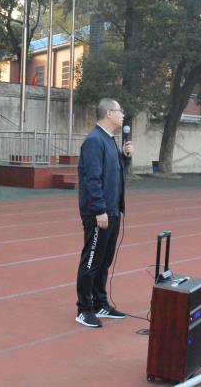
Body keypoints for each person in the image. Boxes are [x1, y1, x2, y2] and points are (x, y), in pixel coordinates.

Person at [75, 98, 134, 328]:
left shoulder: (109, 140)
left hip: (112, 210)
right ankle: (84, 309)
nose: (123, 115)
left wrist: (126, 157)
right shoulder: (94, 141)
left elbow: (116, 174)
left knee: (104, 260)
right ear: (109, 113)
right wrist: (100, 210)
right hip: (99, 212)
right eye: (120, 111)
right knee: (91, 260)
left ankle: (100, 303)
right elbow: (92, 179)